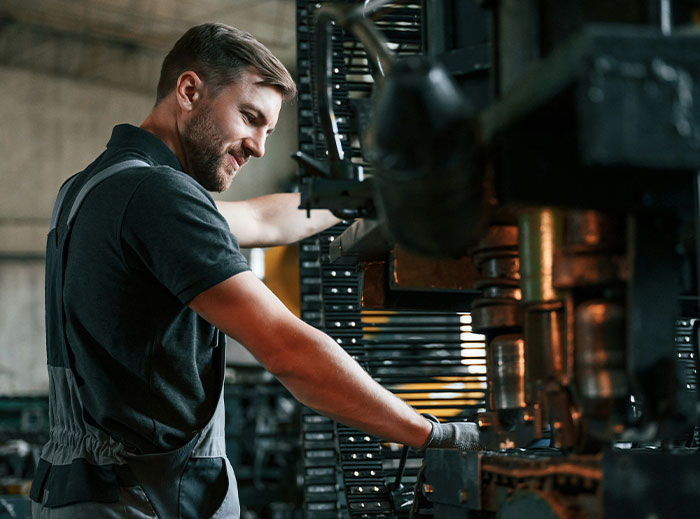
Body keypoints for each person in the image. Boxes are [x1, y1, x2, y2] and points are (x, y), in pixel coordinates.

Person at [30, 22, 481, 519]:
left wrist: (368, 196)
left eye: (267, 130)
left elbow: (261, 218)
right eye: (249, 118)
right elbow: (286, 349)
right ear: (188, 90)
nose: (259, 147)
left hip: (79, 493)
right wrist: (434, 434)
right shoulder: (159, 196)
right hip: (144, 502)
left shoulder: (94, 187)